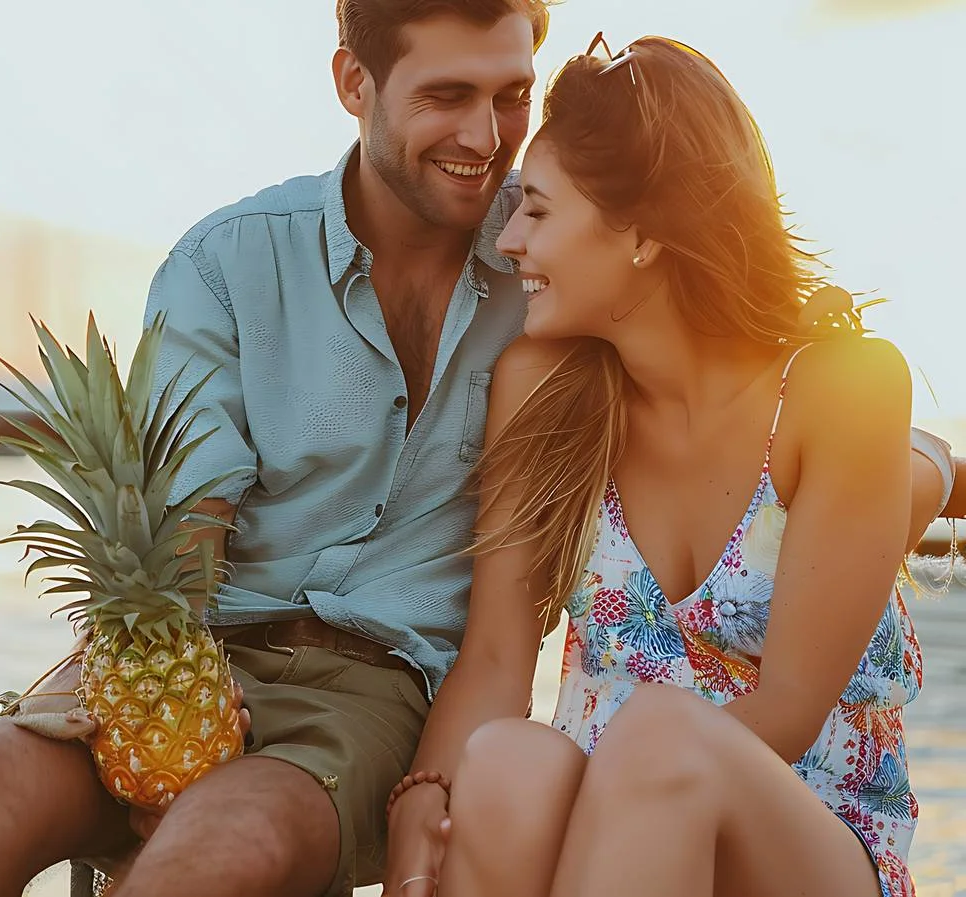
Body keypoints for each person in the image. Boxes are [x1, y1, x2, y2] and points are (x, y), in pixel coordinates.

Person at [0, 3, 551, 895]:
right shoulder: (227, 264)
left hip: (378, 700)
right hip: (198, 652)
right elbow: (187, 525)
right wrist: (174, 721)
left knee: (223, 841)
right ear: (355, 83)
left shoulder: (549, 260)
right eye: (447, 94)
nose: (487, 134)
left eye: (512, 95)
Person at [379, 33, 954, 897]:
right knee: (503, 763)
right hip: (609, 854)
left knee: (662, 737)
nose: (510, 244)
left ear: (642, 232)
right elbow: (497, 657)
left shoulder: (840, 390)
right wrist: (422, 802)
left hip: (804, 841)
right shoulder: (547, 390)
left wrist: (595, 838)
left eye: (537, 209)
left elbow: (791, 715)